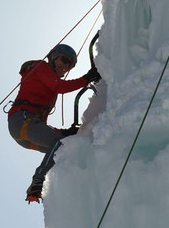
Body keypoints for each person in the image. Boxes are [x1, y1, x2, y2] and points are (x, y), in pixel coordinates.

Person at [8, 44, 101, 203]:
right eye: (64, 60)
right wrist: (86, 78)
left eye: (69, 65)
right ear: (53, 56)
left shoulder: (49, 82)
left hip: (23, 130)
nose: (65, 66)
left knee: (63, 148)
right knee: (58, 143)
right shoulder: (41, 66)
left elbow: (40, 125)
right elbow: (59, 87)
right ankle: (39, 180)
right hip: (21, 120)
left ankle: (63, 190)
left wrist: (64, 132)